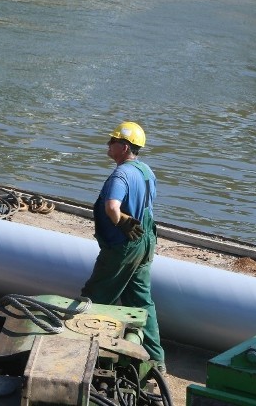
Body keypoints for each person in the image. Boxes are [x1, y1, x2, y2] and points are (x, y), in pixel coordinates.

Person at [81, 121, 166, 374]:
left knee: (95, 297)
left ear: (124, 147)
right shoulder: (146, 171)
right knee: (141, 302)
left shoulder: (121, 174)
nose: (108, 144)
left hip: (123, 247)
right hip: (146, 242)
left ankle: (80, 352)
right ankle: (156, 361)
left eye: (113, 141)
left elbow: (112, 207)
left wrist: (121, 221)